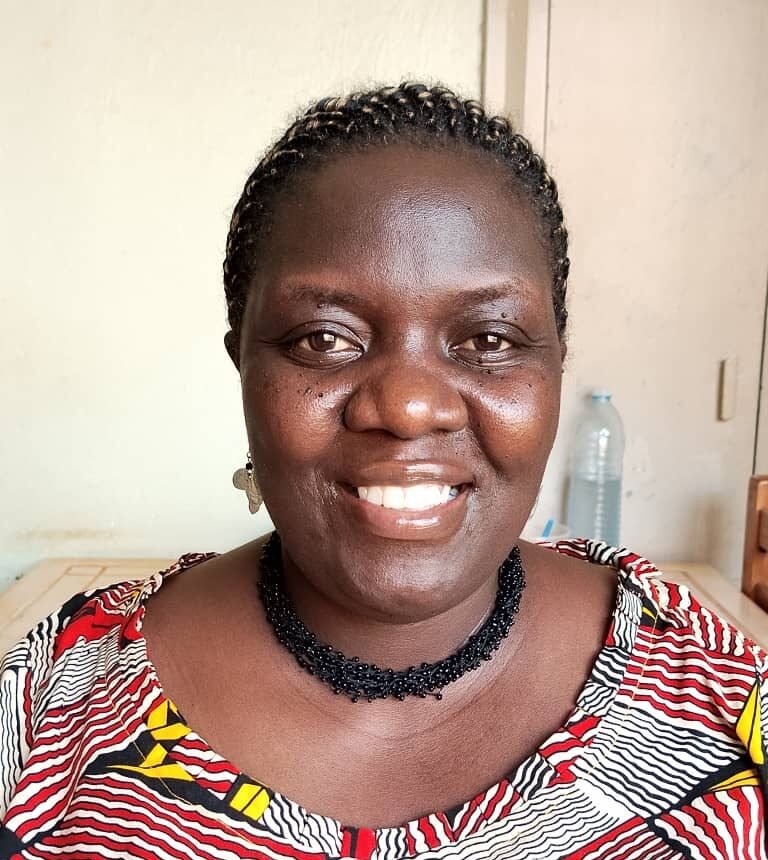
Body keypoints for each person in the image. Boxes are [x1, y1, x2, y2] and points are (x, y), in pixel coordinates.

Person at [1, 81, 766, 860]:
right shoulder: (57, 705)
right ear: (244, 367)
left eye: (490, 340)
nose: (407, 407)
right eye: (323, 339)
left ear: (555, 367)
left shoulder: (720, 698)